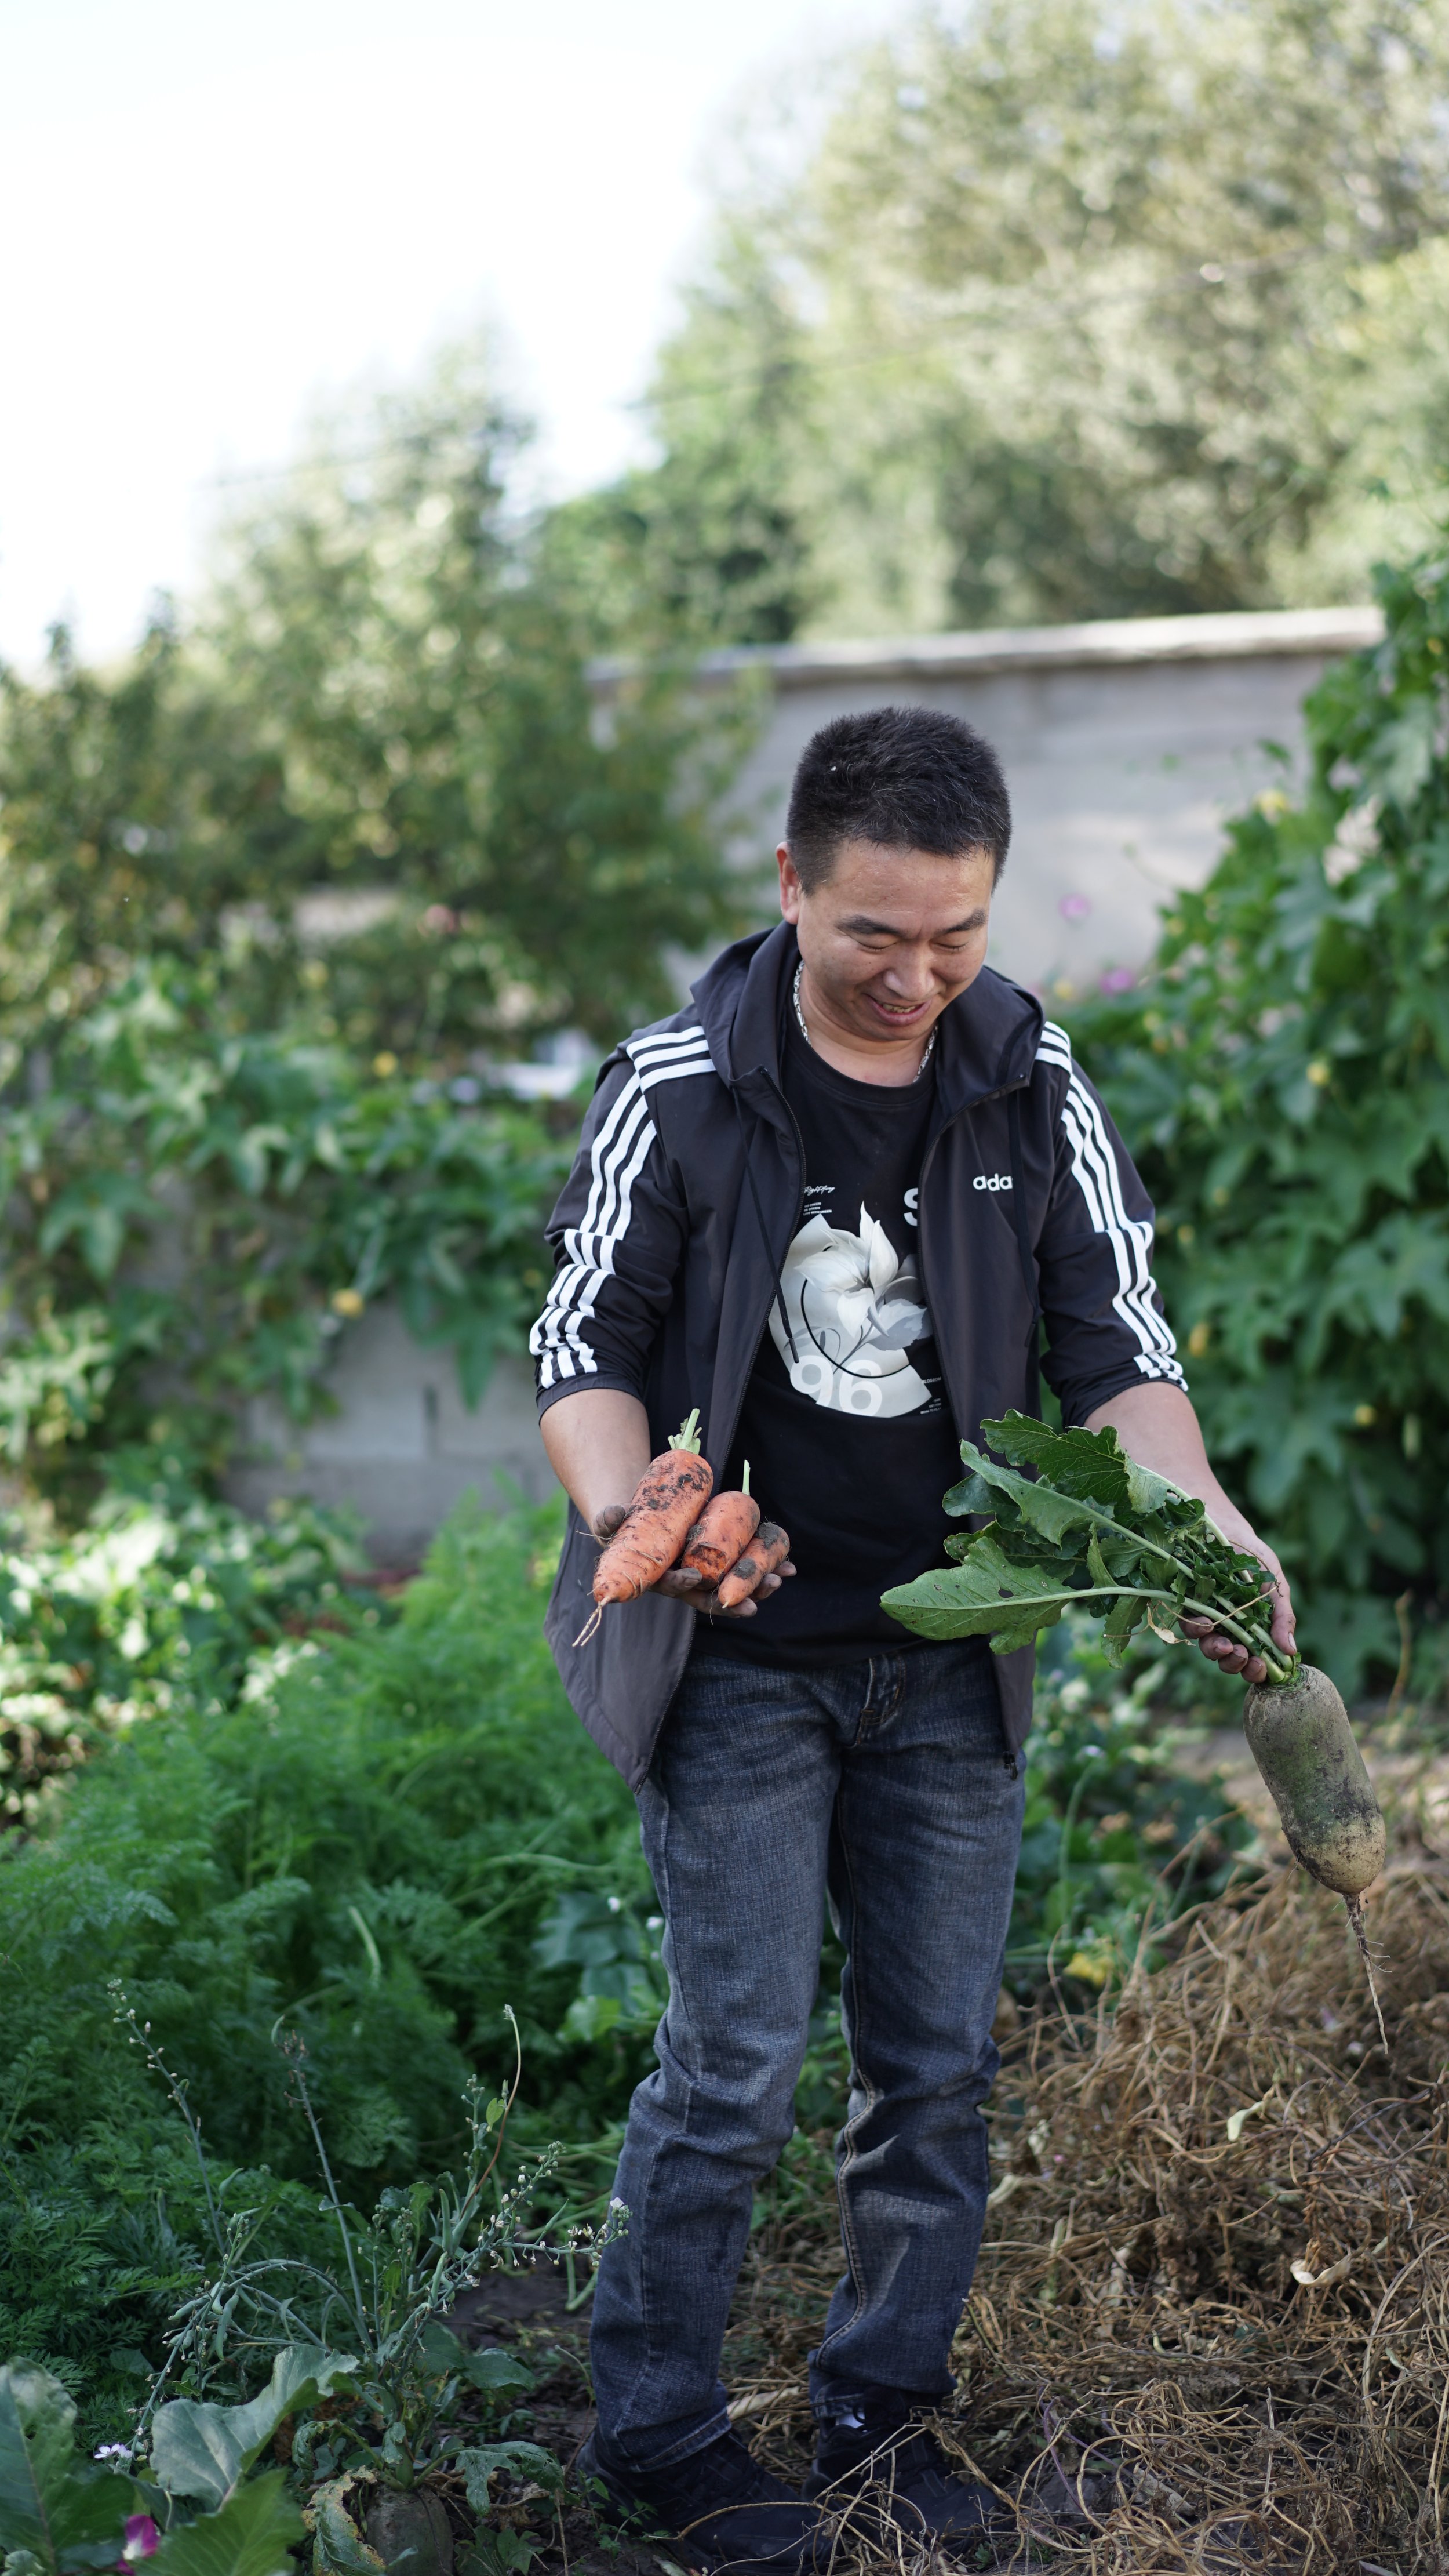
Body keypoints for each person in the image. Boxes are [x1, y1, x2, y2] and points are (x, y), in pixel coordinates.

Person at [530, 706, 1294, 2571]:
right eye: (875, 932)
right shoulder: (679, 1083)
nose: (916, 976)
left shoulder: (1029, 1080)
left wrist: (1204, 1520)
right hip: (738, 1657)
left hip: (952, 1651)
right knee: (732, 2059)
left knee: (935, 2062)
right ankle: (659, 2426)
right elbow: (581, 1345)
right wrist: (652, 1517)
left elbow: (1122, 1350)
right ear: (789, 883)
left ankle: (884, 2400)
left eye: (955, 933)